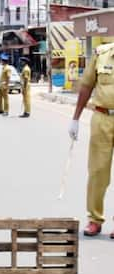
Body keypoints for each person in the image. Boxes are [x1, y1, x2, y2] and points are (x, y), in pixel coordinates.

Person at [68, 42, 114, 237]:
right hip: (102, 117)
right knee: (97, 171)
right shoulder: (101, 54)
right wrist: (75, 118)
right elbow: (86, 86)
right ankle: (95, 219)